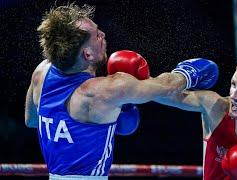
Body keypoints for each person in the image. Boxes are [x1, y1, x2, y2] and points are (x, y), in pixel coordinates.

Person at [24, 3, 219, 179]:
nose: (103, 36)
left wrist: (84, 129)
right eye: (97, 35)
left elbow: (32, 120)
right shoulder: (106, 90)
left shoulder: (42, 72)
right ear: (87, 54)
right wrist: (190, 73)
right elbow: (167, 86)